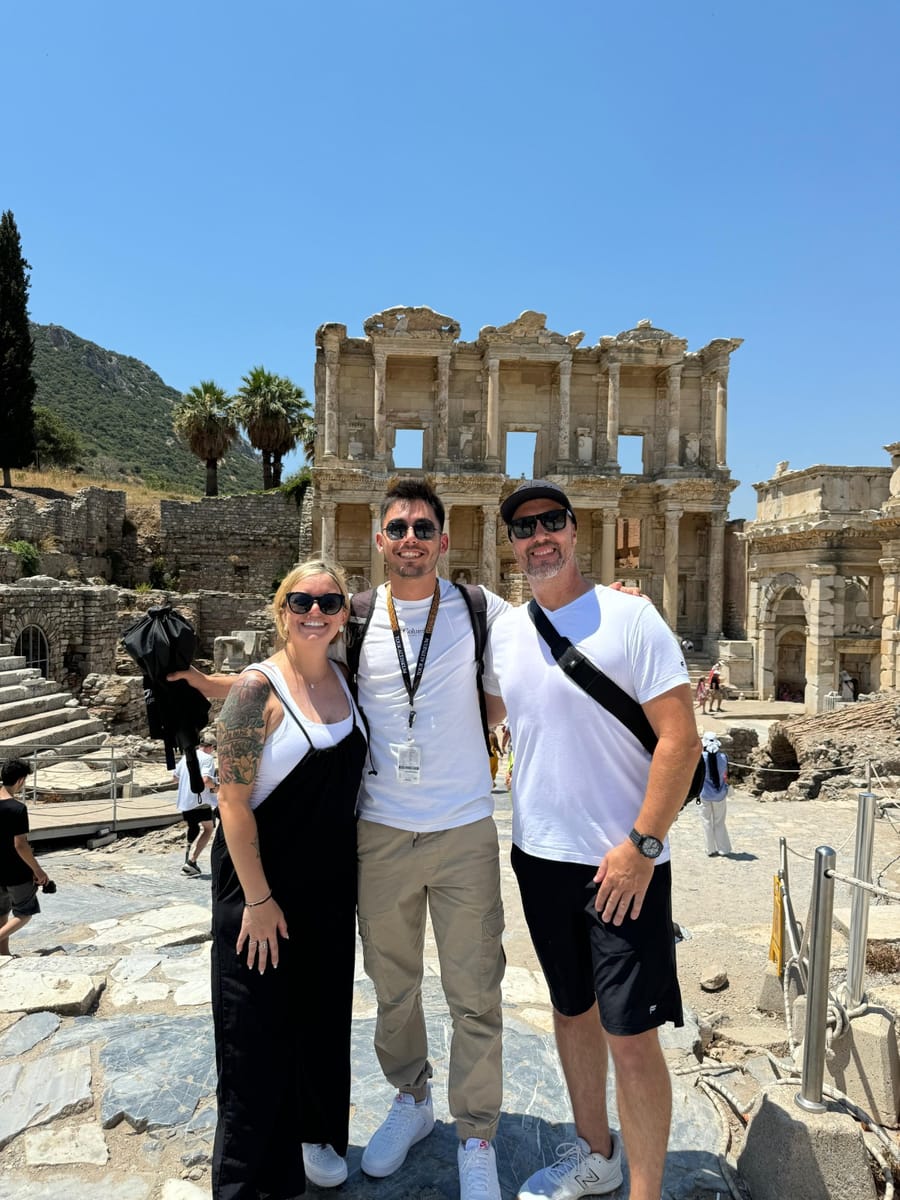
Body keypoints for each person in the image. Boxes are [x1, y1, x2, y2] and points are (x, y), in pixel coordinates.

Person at [485, 479, 700, 1200]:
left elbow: (681, 739)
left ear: (576, 530)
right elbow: (475, 709)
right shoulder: (506, 633)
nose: (538, 536)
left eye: (551, 521)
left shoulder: (631, 617)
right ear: (511, 545)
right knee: (571, 1012)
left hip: (623, 862)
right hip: (539, 856)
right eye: (523, 528)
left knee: (632, 1037)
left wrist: (643, 846)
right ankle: (594, 1153)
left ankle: (645, 1192)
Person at [351, 478, 508, 1200]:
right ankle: (411, 1100)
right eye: (398, 528)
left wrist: (617, 603)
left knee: (475, 990)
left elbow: (555, 635)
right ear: (379, 539)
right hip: (382, 829)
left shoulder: (482, 610)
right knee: (393, 986)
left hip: (463, 828)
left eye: (422, 528)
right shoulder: (354, 619)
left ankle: (476, 1132)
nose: (410, 538)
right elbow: (293, 677)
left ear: (444, 540)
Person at [209, 559, 367, 1199]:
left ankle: (315, 1134)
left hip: (328, 887)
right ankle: (250, 1182)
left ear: (344, 615)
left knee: (322, 1018)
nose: (315, 613)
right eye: (301, 601)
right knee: (254, 1034)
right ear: (282, 611)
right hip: (260, 887)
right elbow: (230, 802)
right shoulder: (255, 690)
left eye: (329, 602)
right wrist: (258, 898)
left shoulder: (348, 681)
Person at [0, 759, 49, 956]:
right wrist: (38, 870)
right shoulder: (17, 809)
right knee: (25, 912)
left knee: (2, 914)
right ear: (20, 780)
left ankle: (3, 955)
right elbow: (20, 845)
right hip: (15, 871)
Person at [172, 733, 218, 876]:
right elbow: (206, 780)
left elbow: (175, 778)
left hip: (185, 802)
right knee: (209, 829)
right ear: (211, 747)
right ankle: (191, 862)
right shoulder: (207, 758)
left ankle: (188, 856)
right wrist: (216, 786)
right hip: (200, 801)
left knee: (194, 827)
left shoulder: (186, 756)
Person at [697, 732, 732, 857]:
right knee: (719, 822)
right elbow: (725, 775)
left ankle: (710, 849)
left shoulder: (701, 758)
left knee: (706, 821)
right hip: (720, 794)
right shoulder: (724, 757)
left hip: (704, 794)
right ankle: (723, 849)